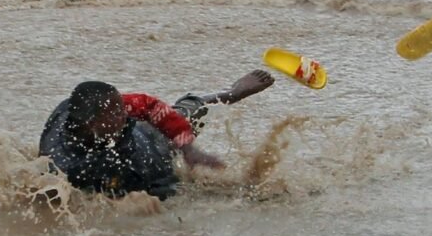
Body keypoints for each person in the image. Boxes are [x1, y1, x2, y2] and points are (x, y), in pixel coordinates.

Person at [39, 70, 274, 200]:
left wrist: (188, 148)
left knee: (187, 112)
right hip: (141, 162)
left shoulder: (111, 110)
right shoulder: (63, 159)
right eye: (116, 112)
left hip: (153, 139)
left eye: (122, 106)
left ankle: (232, 92)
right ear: (92, 123)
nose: (126, 112)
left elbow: (148, 107)